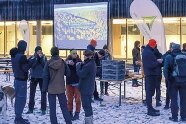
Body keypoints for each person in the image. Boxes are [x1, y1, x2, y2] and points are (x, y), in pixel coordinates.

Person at [42, 47, 72, 124]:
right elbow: (68, 74)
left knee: (52, 110)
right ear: (58, 52)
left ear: (51, 53)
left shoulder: (48, 63)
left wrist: (44, 90)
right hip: (61, 88)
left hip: (51, 89)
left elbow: (45, 77)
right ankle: (68, 122)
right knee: (64, 108)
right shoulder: (62, 62)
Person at [164, 43, 186, 122]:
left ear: (172, 48)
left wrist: (168, 79)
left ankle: (174, 117)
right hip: (184, 81)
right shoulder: (185, 56)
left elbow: (165, 70)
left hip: (173, 81)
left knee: (174, 99)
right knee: (183, 99)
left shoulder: (169, 57)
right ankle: (183, 117)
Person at [11, 40, 30, 124]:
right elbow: (25, 68)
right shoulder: (22, 57)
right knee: (21, 99)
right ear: (23, 47)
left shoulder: (14, 55)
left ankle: (18, 116)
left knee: (18, 99)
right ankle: (18, 118)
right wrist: (30, 62)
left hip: (16, 79)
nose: (26, 48)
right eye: (25, 46)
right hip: (22, 80)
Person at [142, 39, 163, 116]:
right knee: (149, 92)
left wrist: (156, 61)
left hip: (151, 74)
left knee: (150, 92)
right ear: (153, 45)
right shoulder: (148, 52)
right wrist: (158, 62)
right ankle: (149, 110)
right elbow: (150, 65)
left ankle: (150, 108)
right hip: (150, 75)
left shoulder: (148, 51)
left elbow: (150, 62)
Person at [76, 50, 96, 124]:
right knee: (88, 106)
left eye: (84, 55)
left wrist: (78, 67)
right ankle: (90, 121)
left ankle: (88, 122)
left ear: (88, 56)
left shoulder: (89, 65)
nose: (83, 57)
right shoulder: (91, 63)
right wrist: (82, 65)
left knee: (86, 106)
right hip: (89, 88)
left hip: (85, 89)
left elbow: (81, 74)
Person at [27, 46, 47, 115]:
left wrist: (41, 59)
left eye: (40, 51)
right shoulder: (32, 57)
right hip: (34, 77)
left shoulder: (44, 57)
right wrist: (36, 59)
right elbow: (31, 66)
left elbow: (45, 66)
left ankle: (43, 108)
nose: (39, 52)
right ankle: (30, 108)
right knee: (32, 94)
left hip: (42, 77)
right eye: (38, 51)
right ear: (35, 52)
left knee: (43, 93)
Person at [66, 49, 82, 120]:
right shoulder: (67, 60)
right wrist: (67, 63)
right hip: (69, 82)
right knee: (69, 99)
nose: (75, 54)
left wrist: (75, 64)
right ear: (71, 54)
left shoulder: (79, 61)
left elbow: (81, 69)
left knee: (78, 99)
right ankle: (69, 112)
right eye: (73, 53)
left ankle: (77, 113)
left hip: (77, 82)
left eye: (76, 53)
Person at [162, 43, 173, 109]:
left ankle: (168, 104)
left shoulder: (166, 55)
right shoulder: (168, 55)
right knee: (169, 90)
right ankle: (168, 104)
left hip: (169, 76)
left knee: (169, 90)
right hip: (171, 76)